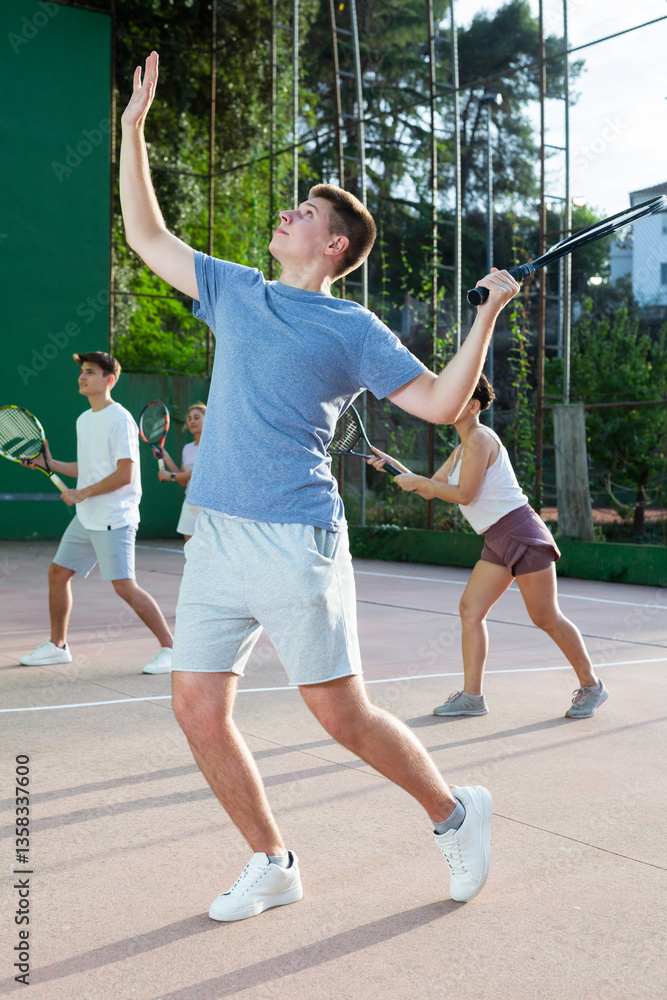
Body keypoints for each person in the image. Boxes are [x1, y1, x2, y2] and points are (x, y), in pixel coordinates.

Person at [119, 50, 520, 921]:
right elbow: (147, 237)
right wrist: (133, 132)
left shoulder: (352, 324)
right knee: (196, 708)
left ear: (332, 244)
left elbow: (442, 401)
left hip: (294, 537)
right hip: (216, 534)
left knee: (340, 715)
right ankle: (272, 862)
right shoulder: (235, 291)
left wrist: (485, 316)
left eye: (304, 211)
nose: (286, 213)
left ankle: (455, 816)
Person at [368, 374, 609, 721]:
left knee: (545, 617)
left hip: (522, 534)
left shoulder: (480, 439)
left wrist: (422, 482)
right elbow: (430, 489)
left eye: (456, 396)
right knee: (470, 611)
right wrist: (392, 465)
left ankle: (592, 686)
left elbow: (464, 495)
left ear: (473, 406)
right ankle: (472, 697)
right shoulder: (461, 449)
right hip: (496, 539)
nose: (446, 401)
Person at [19, 351, 174, 676]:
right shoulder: (83, 419)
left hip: (114, 518)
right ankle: (58, 646)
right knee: (58, 573)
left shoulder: (120, 418)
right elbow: (87, 469)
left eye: (90, 371)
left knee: (124, 586)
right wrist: (48, 463)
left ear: (109, 379)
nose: (83, 376)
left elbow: (124, 474)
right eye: (82, 371)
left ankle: (173, 650)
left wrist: (81, 493)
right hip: (87, 516)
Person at [155, 402, 206, 542]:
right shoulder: (187, 448)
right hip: (189, 501)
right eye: (189, 418)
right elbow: (183, 481)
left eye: (196, 417)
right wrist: (165, 457)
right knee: (189, 547)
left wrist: (170, 476)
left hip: (208, 505)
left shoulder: (211, 446)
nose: (192, 421)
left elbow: (199, 473)